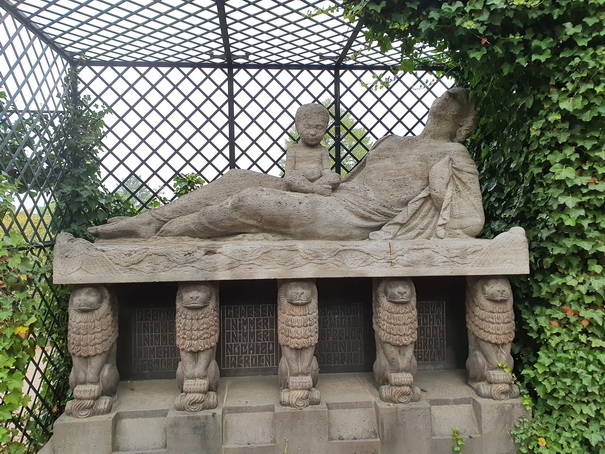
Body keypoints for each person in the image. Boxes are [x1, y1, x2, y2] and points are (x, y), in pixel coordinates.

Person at [89, 88, 484, 241]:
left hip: (353, 216)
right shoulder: (393, 141)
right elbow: (351, 176)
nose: (447, 96)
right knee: (238, 177)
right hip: (336, 194)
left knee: (249, 201)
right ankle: (149, 220)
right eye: (447, 94)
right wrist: (325, 182)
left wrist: (439, 195)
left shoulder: (454, 155)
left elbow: (470, 222)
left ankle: (165, 236)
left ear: (464, 124)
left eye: (458, 100)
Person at [283, 103, 340, 197]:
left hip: (319, 180)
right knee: (290, 178)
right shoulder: (293, 149)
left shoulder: (323, 150)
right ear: (297, 127)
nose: (313, 132)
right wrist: (302, 173)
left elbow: (326, 170)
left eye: (319, 127)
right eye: (307, 127)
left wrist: (325, 174)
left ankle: (307, 188)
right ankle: (315, 189)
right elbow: (289, 172)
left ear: (325, 128)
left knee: (335, 177)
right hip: (300, 178)